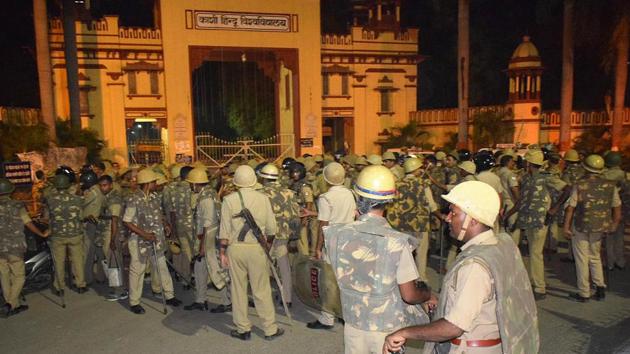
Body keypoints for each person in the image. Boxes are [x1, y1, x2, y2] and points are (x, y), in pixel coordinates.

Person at [383, 181, 539, 354]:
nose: (448, 218)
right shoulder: (500, 245)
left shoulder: (474, 265)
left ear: (473, 220)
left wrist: (404, 332)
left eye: (454, 213)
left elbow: (453, 327)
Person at [324, 165, 434, 353]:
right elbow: (409, 295)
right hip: (386, 328)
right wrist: (428, 294)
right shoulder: (397, 242)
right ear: (389, 201)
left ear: (357, 198)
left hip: (352, 321)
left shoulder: (334, 234)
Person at [218, 165, 284, 341]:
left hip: (235, 249)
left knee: (238, 289)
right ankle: (269, 329)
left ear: (236, 182)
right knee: (261, 289)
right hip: (256, 249)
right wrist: (266, 246)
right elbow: (272, 229)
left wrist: (222, 253)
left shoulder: (228, 200)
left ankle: (243, 329)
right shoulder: (263, 199)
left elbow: (224, 232)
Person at [504, 149, 569, 300]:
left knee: (535, 253)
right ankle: (535, 284)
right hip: (527, 220)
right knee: (533, 253)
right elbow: (522, 201)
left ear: (529, 162)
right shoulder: (526, 178)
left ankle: (540, 288)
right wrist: (510, 215)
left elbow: (567, 189)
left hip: (540, 220)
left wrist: (554, 208)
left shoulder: (547, 178)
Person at [123, 168, 181, 314]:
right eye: (154, 181)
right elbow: (127, 221)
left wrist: (166, 223)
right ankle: (134, 301)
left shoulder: (154, 197)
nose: (156, 183)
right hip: (138, 241)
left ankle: (169, 295)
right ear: (148, 183)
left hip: (156, 239)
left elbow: (158, 214)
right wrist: (144, 234)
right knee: (138, 270)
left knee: (161, 267)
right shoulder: (133, 198)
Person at [564, 155, 621, 302]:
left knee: (582, 259)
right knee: (595, 256)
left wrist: (566, 227)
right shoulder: (610, 185)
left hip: (581, 226)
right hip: (600, 226)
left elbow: (571, 208)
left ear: (585, 167)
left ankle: (584, 292)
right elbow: (617, 206)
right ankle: (600, 286)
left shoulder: (580, 184)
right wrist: (614, 224)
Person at [307, 162, 357, 330]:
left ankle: (327, 318)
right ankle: (345, 314)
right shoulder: (352, 194)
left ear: (326, 179)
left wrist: (317, 247)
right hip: (350, 242)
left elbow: (324, 224)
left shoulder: (326, 197)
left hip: (333, 243)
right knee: (346, 281)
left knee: (329, 281)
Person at [183, 167, 231, 312]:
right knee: (200, 270)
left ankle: (227, 302)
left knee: (217, 272)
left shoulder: (205, 199)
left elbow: (208, 225)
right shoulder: (210, 192)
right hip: (207, 238)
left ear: (195, 184)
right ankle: (200, 300)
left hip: (209, 240)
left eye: (191, 184)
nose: (191, 186)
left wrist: (203, 247)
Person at [387, 157, 443, 281]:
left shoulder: (397, 183)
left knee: (403, 253)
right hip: (420, 224)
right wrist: (440, 216)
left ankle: (401, 278)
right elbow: (431, 204)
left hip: (400, 224)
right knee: (421, 253)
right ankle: (421, 278)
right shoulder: (423, 184)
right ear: (416, 170)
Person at [0, 178, 48, 316]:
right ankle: (10, 303)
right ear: (11, 190)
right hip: (15, 247)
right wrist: (42, 234)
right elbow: (28, 223)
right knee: (19, 276)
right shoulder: (17, 206)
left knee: (4, 276)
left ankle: (13, 306)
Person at [258, 163, 300, 310]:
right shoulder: (289, 193)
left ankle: (264, 300)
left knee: (262, 267)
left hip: (264, 237)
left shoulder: (258, 193)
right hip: (283, 235)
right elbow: (295, 218)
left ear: (263, 177)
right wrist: (294, 239)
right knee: (284, 267)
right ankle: (286, 299)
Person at [44, 174, 87, 295]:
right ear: (68, 186)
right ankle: (80, 285)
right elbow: (81, 216)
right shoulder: (77, 199)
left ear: (56, 186)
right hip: (75, 234)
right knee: (77, 260)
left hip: (58, 236)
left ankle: (59, 287)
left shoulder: (49, 199)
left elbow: (46, 218)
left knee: (59, 261)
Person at [96, 175, 127, 300]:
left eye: (105, 185)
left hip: (112, 232)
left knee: (114, 263)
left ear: (110, 185)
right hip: (106, 231)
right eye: (101, 185)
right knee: (111, 262)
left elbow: (114, 220)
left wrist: (112, 240)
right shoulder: (106, 197)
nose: (103, 188)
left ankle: (119, 291)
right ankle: (118, 288)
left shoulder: (114, 198)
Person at [601, 151, 626, 270]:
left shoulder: (603, 175)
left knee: (608, 237)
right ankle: (620, 261)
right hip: (623, 209)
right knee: (619, 236)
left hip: (607, 209)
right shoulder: (625, 175)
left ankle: (609, 262)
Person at [496, 153, 521, 245]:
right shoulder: (510, 174)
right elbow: (514, 188)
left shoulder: (497, 172)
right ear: (507, 162)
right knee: (514, 231)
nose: (514, 163)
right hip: (511, 203)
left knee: (502, 230)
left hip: (501, 203)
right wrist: (519, 202)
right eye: (512, 161)